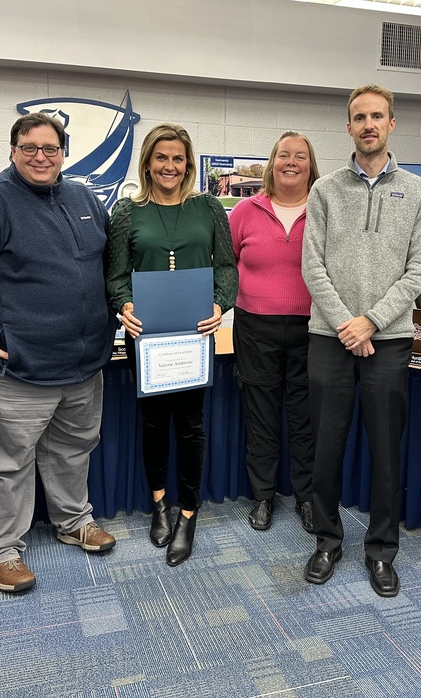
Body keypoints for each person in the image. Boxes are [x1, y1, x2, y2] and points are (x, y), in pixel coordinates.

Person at [0, 113, 118, 594]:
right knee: (3, 463)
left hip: (82, 365)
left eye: (50, 148)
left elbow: (101, 269)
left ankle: (73, 521)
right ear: (13, 150)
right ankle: (1, 551)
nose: (40, 156)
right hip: (13, 368)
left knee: (73, 450)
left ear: (64, 152)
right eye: (29, 147)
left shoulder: (84, 198)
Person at [301, 85, 421, 597]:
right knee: (327, 448)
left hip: (391, 339)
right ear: (349, 126)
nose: (368, 124)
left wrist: (371, 322)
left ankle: (381, 550)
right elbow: (312, 265)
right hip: (329, 337)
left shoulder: (418, 191)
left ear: (392, 123)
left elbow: (418, 270)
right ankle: (327, 541)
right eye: (359, 117)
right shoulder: (326, 190)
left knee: (385, 451)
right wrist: (345, 324)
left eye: (377, 116)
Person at [105, 123, 238, 566]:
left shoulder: (209, 208)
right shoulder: (128, 211)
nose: (170, 166)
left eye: (178, 158)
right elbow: (115, 274)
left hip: (196, 335)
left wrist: (222, 304)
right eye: (161, 157)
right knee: (154, 423)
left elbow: (226, 267)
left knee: (191, 425)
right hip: (146, 336)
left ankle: (188, 512)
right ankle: (159, 502)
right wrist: (123, 304)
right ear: (147, 162)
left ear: (189, 164)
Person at [229, 131, 321, 534]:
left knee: (305, 419)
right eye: (284, 154)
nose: (291, 162)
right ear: (272, 162)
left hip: (313, 328)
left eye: (300, 156)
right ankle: (263, 496)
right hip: (255, 327)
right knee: (261, 417)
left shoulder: (324, 209)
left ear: (310, 165)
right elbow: (226, 264)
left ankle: (306, 498)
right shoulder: (245, 211)